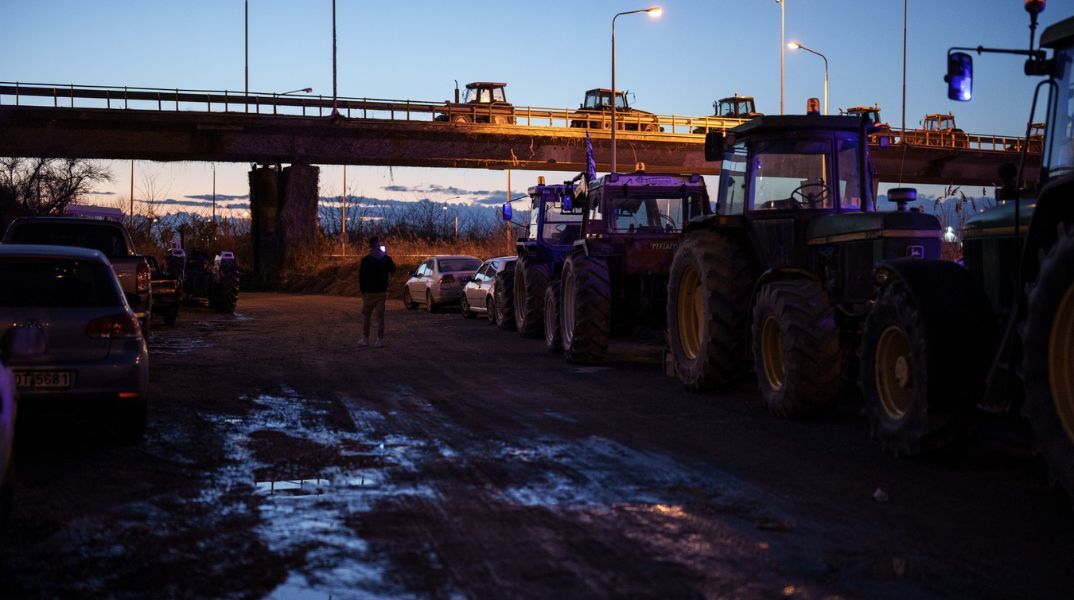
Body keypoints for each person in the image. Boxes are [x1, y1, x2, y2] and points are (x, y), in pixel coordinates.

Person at [358, 237, 396, 348]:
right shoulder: (384, 259)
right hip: (381, 292)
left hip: (369, 293)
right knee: (380, 317)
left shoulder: (365, 260)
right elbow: (393, 269)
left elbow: (362, 277)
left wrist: (363, 291)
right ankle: (379, 339)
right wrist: (386, 257)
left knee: (367, 317)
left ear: (370, 247)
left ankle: (365, 338)